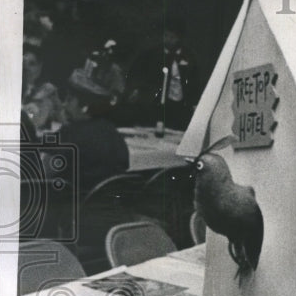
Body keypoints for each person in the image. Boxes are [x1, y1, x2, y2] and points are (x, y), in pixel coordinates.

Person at [59, 68, 129, 197]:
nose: (64, 105)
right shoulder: (111, 130)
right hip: (113, 208)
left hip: (77, 209)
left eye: (69, 100)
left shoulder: (70, 133)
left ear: (84, 106)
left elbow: (43, 174)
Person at [125, 16, 201, 130]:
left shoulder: (188, 56)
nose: (168, 39)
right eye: (166, 35)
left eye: (172, 37)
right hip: (155, 104)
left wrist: (194, 103)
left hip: (179, 105)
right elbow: (138, 74)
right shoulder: (151, 55)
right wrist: (136, 89)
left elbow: (194, 81)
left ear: (179, 38)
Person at [21, 46, 63, 132]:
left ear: (40, 67)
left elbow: (59, 120)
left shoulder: (47, 90)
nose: (26, 68)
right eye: (23, 63)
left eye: (32, 64)